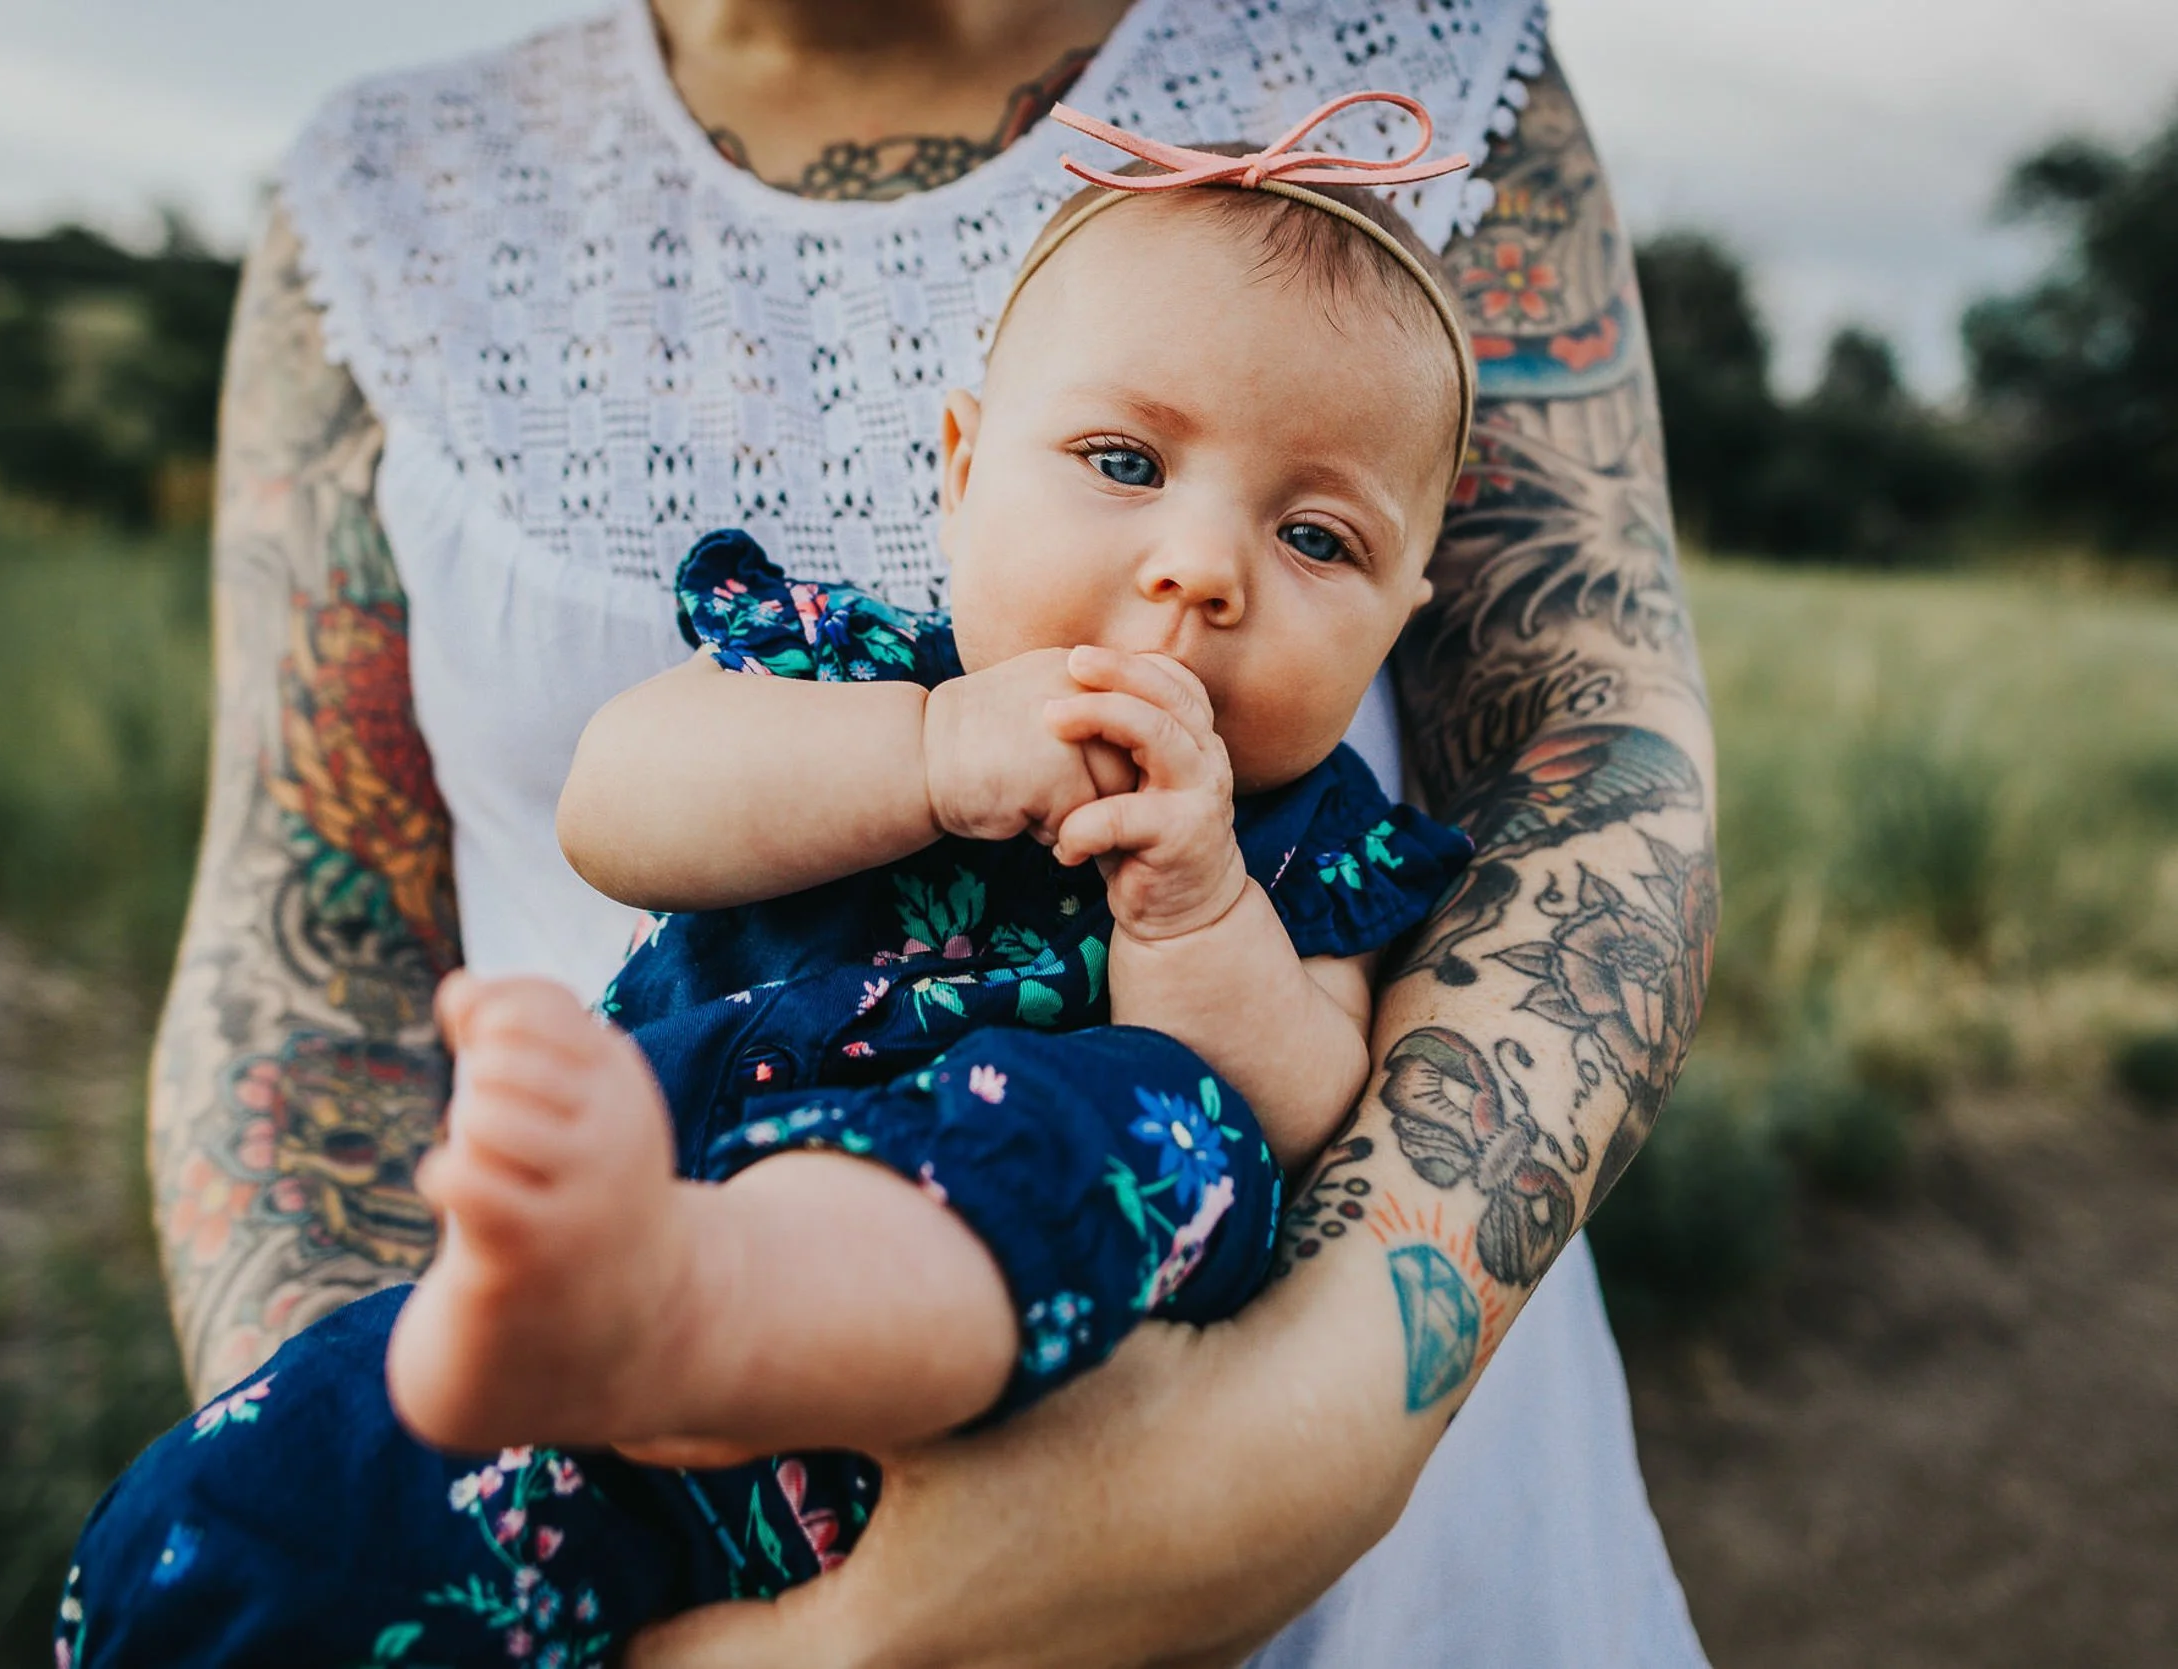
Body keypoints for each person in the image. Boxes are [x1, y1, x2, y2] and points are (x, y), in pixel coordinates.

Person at [141, 1, 1717, 1662]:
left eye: (1318, 540)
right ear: (958, 472)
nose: (1201, 569)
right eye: (1123, 461)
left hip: (1061, 1388)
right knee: (265, 1514)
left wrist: (1193, 913)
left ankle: (701, 1298)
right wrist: (929, 748)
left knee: (1141, 1115)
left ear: (1404, 609)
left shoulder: (1298, 848)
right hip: (635, 1254)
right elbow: (616, 807)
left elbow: (1306, 1097)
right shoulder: (859, 676)